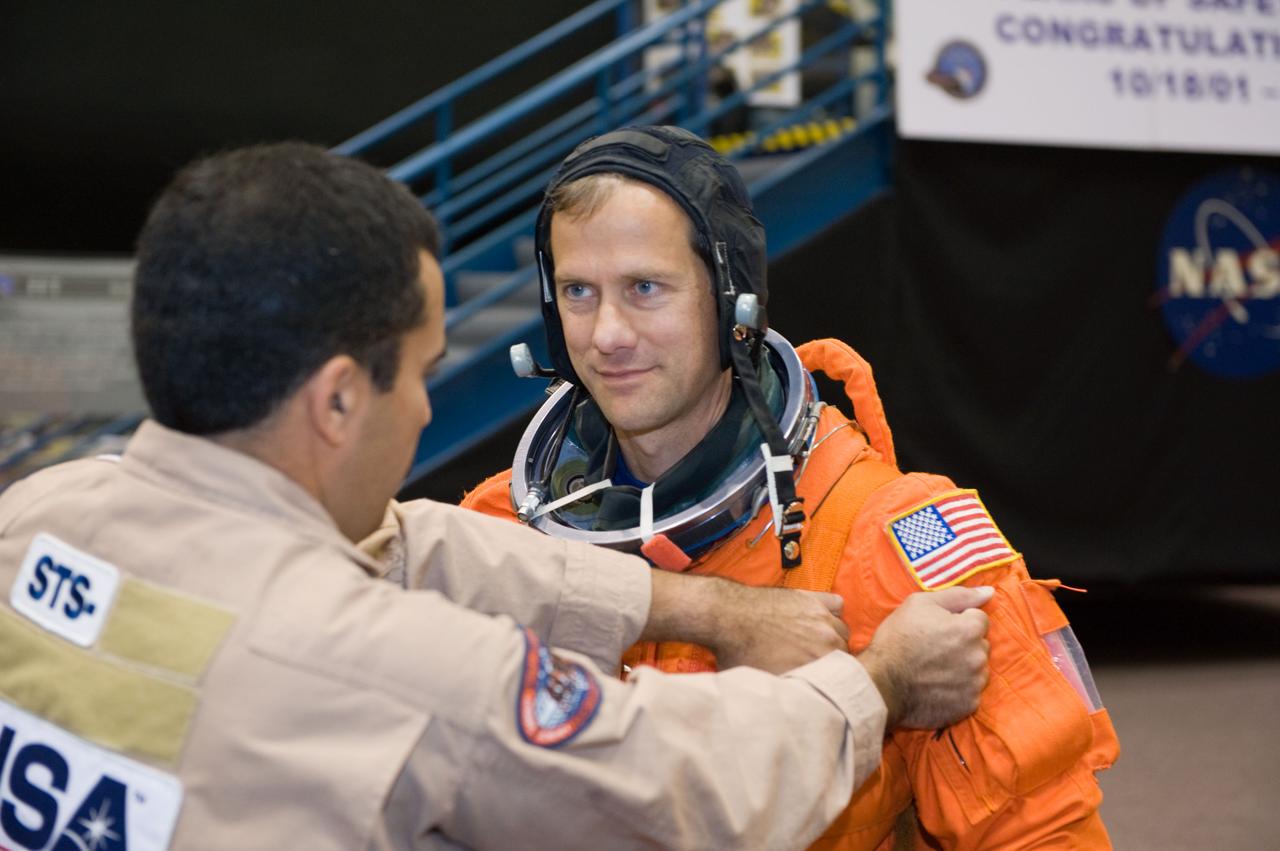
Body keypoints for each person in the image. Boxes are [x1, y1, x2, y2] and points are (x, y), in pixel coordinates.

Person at [0, 142, 992, 851]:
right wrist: (882, 679)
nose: (429, 408)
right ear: (338, 397)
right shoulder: (403, 670)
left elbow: (397, 544)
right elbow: (693, 781)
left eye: (646, 288)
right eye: (422, 372)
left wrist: (701, 606)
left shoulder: (36, 515)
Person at [462, 126, 1121, 850]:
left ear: (732, 297)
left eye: (645, 288)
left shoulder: (888, 535)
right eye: (578, 292)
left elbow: (1039, 832)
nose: (607, 333)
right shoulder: (501, 529)